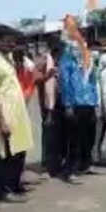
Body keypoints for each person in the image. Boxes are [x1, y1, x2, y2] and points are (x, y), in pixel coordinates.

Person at [0, 24, 34, 201]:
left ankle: (14, 184)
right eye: (8, 41)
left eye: (14, 42)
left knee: (19, 151)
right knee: (5, 155)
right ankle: (4, 190)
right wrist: (1, 121)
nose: (12, 45)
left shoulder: (6, 58)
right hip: (4, 115)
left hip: (17, 114)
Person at [58, 18, 99, 183]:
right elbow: (65, 82)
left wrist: (96, 102)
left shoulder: (88, 59)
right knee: (73, 140)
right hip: (75, 104)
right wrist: (67, 104)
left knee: (88, 137)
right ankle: (70, 171)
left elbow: (93, 82)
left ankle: (85, 165)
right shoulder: (67, 59)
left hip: (89, 102)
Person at [36, 36, 63, 177]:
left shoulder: (64, 59)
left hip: (63, 102)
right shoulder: (44, 60)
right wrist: (48, 75)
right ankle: (47, 165)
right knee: (49, 134)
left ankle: (58, 163)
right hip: (48, 104)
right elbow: (37, 79)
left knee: (61, 135)